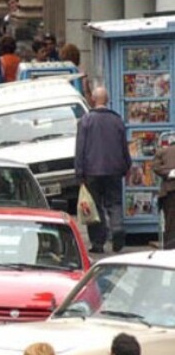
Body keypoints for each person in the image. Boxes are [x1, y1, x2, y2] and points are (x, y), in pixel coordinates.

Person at [75, 86, 131, 254]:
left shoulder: (86, 121)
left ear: (93, 99)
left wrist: (79, 172)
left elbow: (80, 148)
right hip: (114, 170)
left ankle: (98, 242)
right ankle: (117, 228)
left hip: (92, 171)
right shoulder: (117, 120)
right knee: (114, 202)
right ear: (106, 100)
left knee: (94, 206)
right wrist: (126, 166)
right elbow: (124, 147)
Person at [153, 144, 175, 249]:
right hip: (170, 191)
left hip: (170, 191)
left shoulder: (163, 152)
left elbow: (156, 167)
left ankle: (169, 249)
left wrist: (170, 172)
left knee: (170, 223)